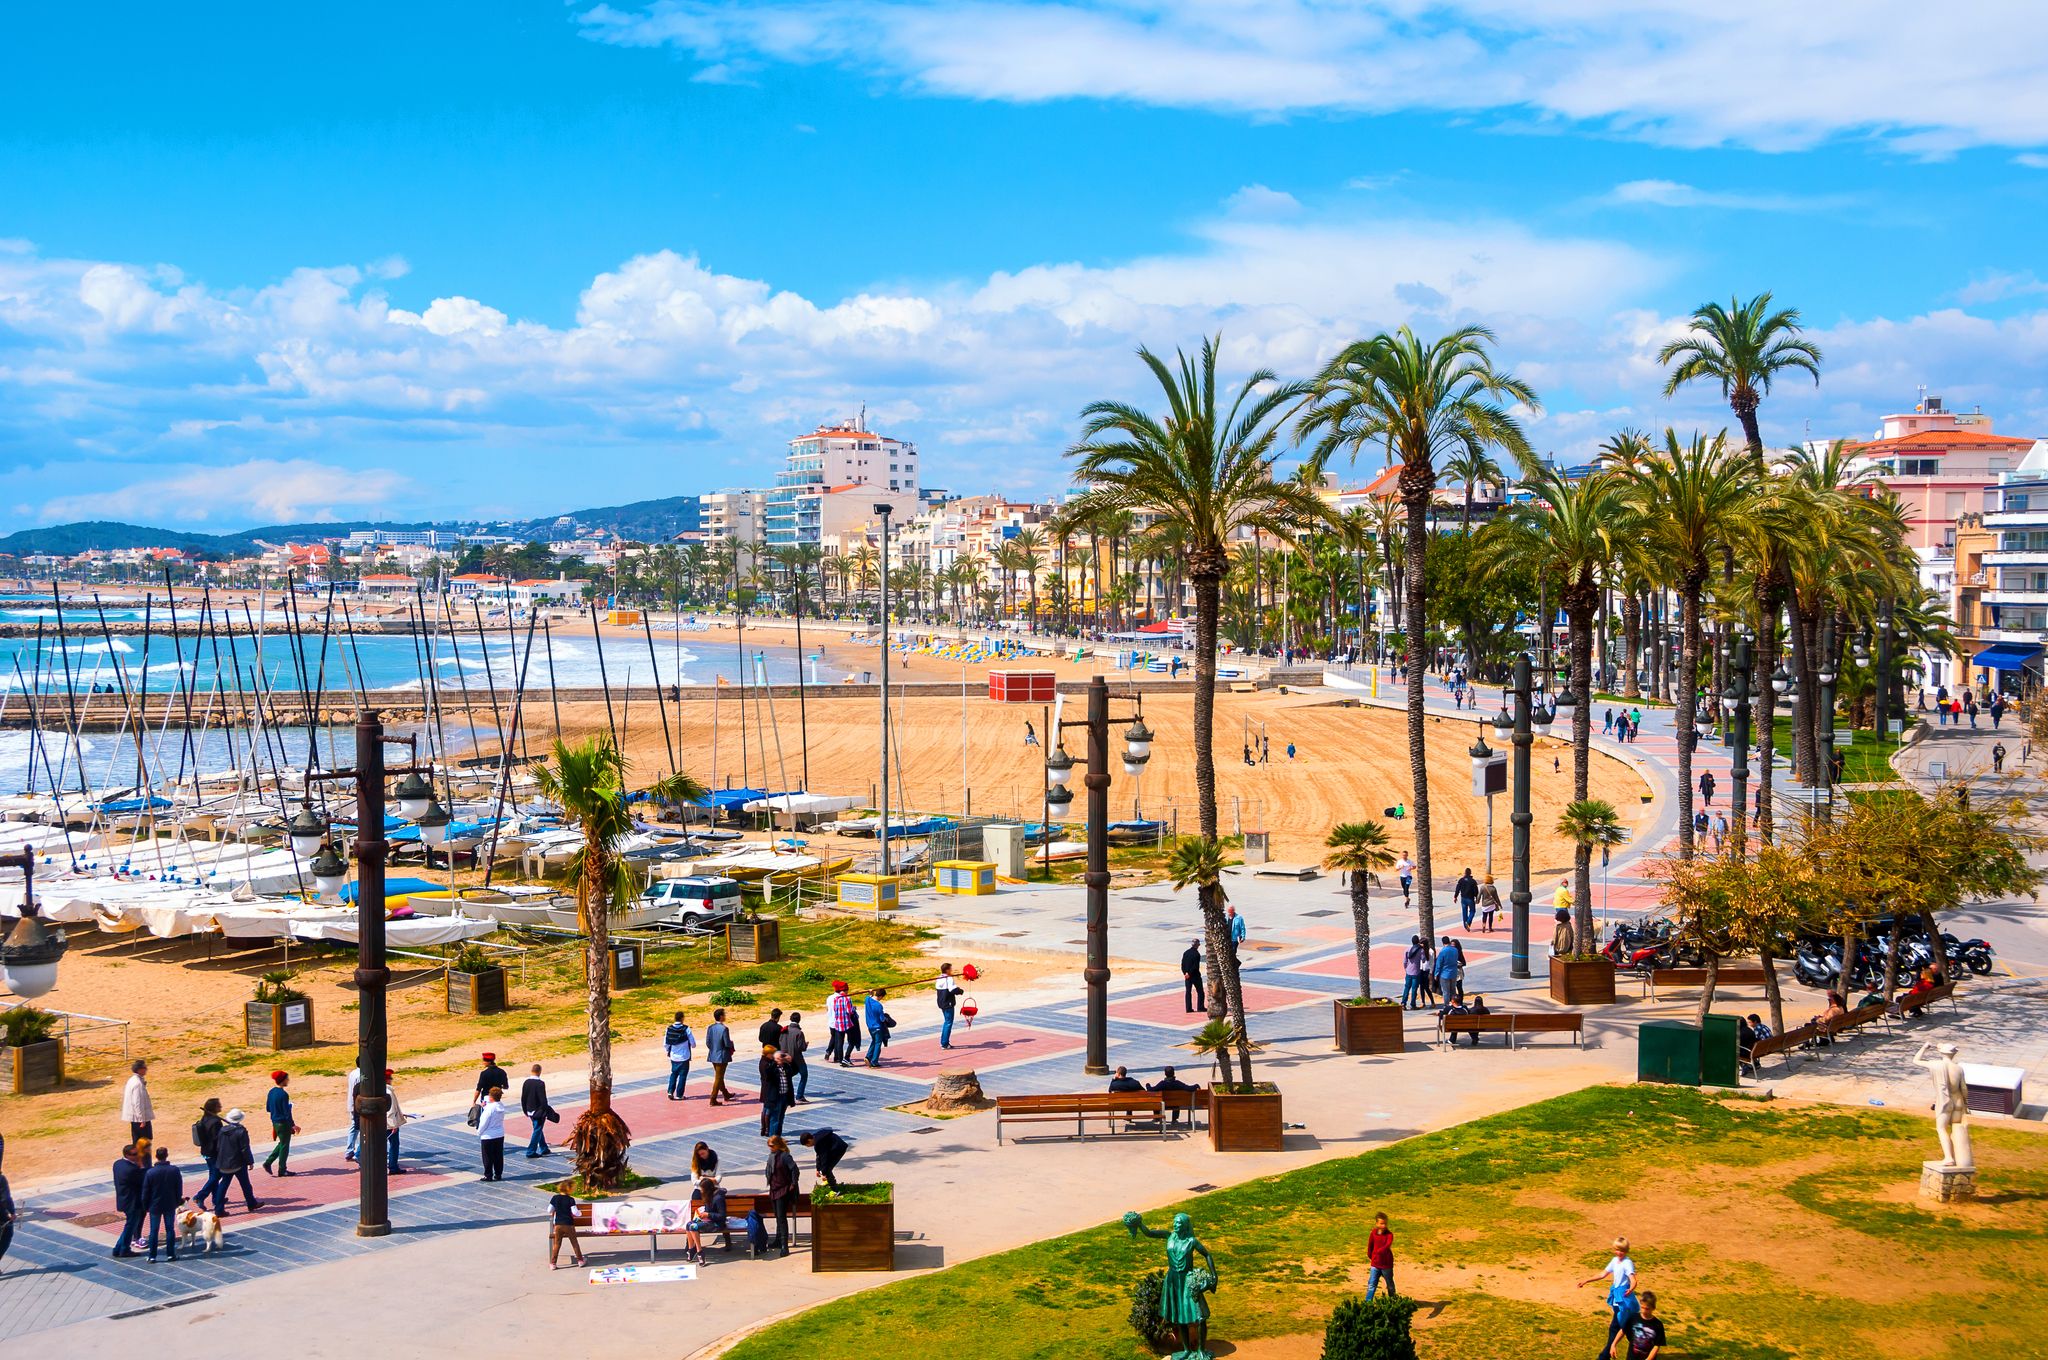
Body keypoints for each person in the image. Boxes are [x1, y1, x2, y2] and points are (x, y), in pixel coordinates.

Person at [1579, 1236, 1638, 1360]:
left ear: (1626, 1251)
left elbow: (1633, 1279)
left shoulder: (1627, 1263)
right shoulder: (1615, 1261)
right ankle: (1640, 1351)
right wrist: (1586, 1280)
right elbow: (1603, 1274)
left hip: (1624, 1300)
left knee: (1617, 1328)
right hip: (1617, 1299)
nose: (1619, 1252)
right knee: (1624, 1328)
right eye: (1617, 1249)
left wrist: (1631, 1288)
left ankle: (1604, 1357)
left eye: (1622, 1250)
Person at [141, 1146, 183, 1263]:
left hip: (155, 1205)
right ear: (166, 1155)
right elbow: (178, 1188)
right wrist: (176, 1201)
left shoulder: (150, 1172)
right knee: (170, 1229)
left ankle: (152, 1256)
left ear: (156, 1156)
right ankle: (171, 1254)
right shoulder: (174, 1170)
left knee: (154, 1231)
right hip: (170, 1204)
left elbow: (145, 1192)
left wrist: (146, 1206)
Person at [214, 1108, 261, 1211]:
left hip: (224, 1162)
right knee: (245, 1185)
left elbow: (219, 1146)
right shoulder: (241, 1131)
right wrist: (250, 1161)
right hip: (238, 1163)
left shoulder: (222, 1130)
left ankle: (219, 1209)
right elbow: (245, 1149)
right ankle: (251, 1203)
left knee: (223, 1185)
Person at [764, 1135, 801, 1258]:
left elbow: (795, 1170)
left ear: (778, 1145)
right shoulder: (771, 1156)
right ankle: (778, 1240)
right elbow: (768, 1170)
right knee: (777, 1216)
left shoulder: (785, 1156)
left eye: (772, 1146)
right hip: (774, 1189)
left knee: (781, 1217)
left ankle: (785, 1245)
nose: (770, 1148)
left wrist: (793, 1184)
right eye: (769, 1146)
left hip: (783, 1190)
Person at [191, 1097, 227, 1214]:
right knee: (217, 1175)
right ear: (214, 1108)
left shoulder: (205, 1118)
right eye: (218, 1105)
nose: (220, 1107)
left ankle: (216, 1199)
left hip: (205, 1151)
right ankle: (200, 1196)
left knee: (213, 1175)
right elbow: (218, 1139)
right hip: (213, 1153)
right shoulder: (216, 1122)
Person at [111, 1144, 146, 1258]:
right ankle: (124, 1249)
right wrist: (141, 1166)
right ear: (127, 1155)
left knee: (129, 1225)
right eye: (135, 1154)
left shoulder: (118, 1164)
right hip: (132, 1202)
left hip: (124, 1200)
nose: (138, 1156)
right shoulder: (132, 1169)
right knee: (131, 1226)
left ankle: (118, 1248)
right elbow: (143, 1179)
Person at [260, 1070, 298, 1176]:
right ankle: (282, 1169)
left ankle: (268, 1162)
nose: (288, 1080)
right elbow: (286, 1113)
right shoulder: (284, 1094)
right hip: (283, 1123)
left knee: (282, 1143)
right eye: (287, 1079)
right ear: (283, 1080)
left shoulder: (271, 1091)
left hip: (275, 1122)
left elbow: (268, 1108)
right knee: (285, 1146)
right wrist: (293, 1125)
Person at [684, 1175, 727, 1263]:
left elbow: (722, 1215)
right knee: (688, 1224)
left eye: (702, 1189)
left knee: (693, 1227)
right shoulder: (709, 1196)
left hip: (717, 1224)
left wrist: (708, 1214)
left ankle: (699, 1251)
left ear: (707, 1189)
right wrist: (702, 1215)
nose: (701, 1191)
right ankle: (691, 1249)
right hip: (709, 1221)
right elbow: (708, 1211)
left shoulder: (718, 1198)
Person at [548, 1187, 586, 1269]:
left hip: (558, 1225)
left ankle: (553, 1263)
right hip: (569, 1224)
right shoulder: (570, 1199)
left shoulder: (555, 1198)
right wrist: (580, 1213)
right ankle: (580, 1261)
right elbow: (575, 1212)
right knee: (574, 1243)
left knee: (557, 1244)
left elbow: (549, 1210)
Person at [520, 1063, 553, 1157]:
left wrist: (525, 1110)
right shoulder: (540, 1083)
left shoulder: (526, 1082)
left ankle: (544, 1148)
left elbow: (523, 1097)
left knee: (537, 1129)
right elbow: (543, 1100)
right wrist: (546, 1110)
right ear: (539, 1071)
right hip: (538, 1111)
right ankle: (530, 1151)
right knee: (537, 1130)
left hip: (529, 1110)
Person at [475, 1086, 507, 1181]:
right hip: (499, 1134)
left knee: (487, 1156)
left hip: (488, 1135)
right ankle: (498, 1174)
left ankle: (488, 1175)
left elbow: (484, 1122)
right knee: (498, 1155)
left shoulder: (489, 1109)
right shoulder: (501, 1106)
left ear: (491, 1097)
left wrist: (479, 1132)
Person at [706, 1007, 736, 1103]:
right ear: (721, 1016)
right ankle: (713, 1098)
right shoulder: (724, 1029)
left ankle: (725, 1093)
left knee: (719, 1076)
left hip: (713, 1055)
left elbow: (708, 1042)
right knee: (718, 1078)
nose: (725, 1016)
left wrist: (713, 1049)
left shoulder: (710, 1028)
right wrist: (732, 1044)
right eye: (724, 1015)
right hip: (722, 1056)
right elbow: (727, 1043)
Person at [1623, 1290, 1664, 1359]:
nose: (1644, 1311)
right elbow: (1623, 1330)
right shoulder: (1633, 1318)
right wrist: (1613, 1344)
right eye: (1642, 1307)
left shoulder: (1658, 1325)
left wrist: (1649, 1358)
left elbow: (1657, 1345)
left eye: (1647, 1309)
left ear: (1653, 1308)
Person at [779, 1012, 810, 1102]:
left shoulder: (785, 1030)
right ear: (799, 1020)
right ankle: (799, 1095)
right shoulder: (799, 1032)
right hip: (797, 1059)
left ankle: (785, 1093)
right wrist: (805, 1045)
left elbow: (780, 1042)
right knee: (804, 1074)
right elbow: (801, 1047)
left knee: (789, 1075)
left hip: (785, 1058)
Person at [122, 1059, 154, 1145]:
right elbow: (138, 1103)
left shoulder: (133, 1080)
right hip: (139, 1118)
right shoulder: (137, 1084)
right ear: (139, 1069)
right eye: (144, 1067)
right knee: (144, 1141)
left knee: (137, 1141)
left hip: (136, 1118)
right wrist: (141, 1119)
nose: (146, 1069)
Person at [666, 1011, 696, 1100]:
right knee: (682, 1076)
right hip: (684, 1057)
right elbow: (693, 1043)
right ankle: (679, 1095)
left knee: (674, 1074)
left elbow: (666, 1043)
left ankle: (670, 1091)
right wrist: (692, 1045)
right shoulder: (686, 1029)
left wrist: (668, 1051)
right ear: (682, 1018)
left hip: (674, 1057)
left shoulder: (669, 1029)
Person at [1365, 1212, 1396, 1298]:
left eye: (1385, 1223)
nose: (1384, 1225)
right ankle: (1368, 1302)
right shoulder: (1373, 1233)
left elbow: (1387, 1245)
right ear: (1377, 1223)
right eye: (1381, 1223)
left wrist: (1378, 1252)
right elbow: (1370, 1245)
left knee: (1390, 1285)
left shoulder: (1389, 1235)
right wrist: (1371, 1256)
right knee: (1371, 1284)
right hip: (1375, 1264)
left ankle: (1393, 1300)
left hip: (1386, 1265)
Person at [825, 983, 855, 1065]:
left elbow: (834, 1009)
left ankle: (839, 1059)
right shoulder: (847, 999)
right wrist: (853, 1009)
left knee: (838, 1042)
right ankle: (844, 1057)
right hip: (846, 1023)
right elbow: (849, 1011)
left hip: (837, 1023)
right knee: (851, 1041)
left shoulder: (834, 999)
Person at [384, 1071, 408, 1175]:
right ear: (387, 1079)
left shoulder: (381, 1090)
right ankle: (393, 1167)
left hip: (384, 1123)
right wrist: (394, 1125)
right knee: (394, 1144)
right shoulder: (389, 1092)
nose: (391, 1080)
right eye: (390, 1078)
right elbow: (390, 1111)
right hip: (390, 1124)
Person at [935, 963, 962, 1049]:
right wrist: (960, 991)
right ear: (947, 970)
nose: (951, 970)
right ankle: (944, 1043)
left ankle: (944, 1042)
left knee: (947, 1021)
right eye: (950, 969)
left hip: (941, 1002)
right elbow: (952, 990)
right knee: (948, 1022)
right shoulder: (949, 978)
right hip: (948, 1003)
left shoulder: (939, 978)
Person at [1434, 935, 1464, 1006]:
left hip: (1445, 974)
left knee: (1446, 992)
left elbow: (1439, 964)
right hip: (1454, 973)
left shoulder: (1443, 951)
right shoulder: (1455, 950)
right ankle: (1454, 1004)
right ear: (1449, 941)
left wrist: (1436, 974)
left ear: (1443, 943)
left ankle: (1446, 1005)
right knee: (1453, 990)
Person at [864, 988, 889, 1067]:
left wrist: (870, 993)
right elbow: (882, 1019)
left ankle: (868, 1057)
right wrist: (886, 1018)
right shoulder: (878, 1005)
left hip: (870, 1026)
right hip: (877, 1026)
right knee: (878, 1043)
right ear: (881, 996)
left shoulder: (867, 1000)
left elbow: (869, 996)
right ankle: (874, 1061)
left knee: (874, 1041)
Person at [1401, 936, 1427, 1010]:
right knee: (1414, 989)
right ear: (1418, 941)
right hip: (1416, 972)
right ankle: (1413, 1005)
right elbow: (1424, 960)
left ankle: (1403, 1003)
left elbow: (1405, 961)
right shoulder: (1421, 950)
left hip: (1408, 972)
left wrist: (1406, 969)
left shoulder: (1407, 949)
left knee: (1407, 987)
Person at [343, 1066, 363, 1162]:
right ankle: (357, 1152)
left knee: (353, 1127)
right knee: (361, 1128)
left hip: (352, 1103)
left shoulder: (353, 1073)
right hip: (357, 1105)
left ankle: (349, 1150)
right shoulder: (361, 1076)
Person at [1181, 940, 1205, 1013]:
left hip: (1187, 976)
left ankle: (1188, 1008)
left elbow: (1183, 964)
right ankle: (1200, 1007)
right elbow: (1195, 966)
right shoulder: (1196, 954)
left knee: (1188, 992)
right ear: (1197, 945)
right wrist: (1189, 973)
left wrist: (1185, 973)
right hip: (1195, 976)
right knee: (1200, 992)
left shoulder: (1186, 952)